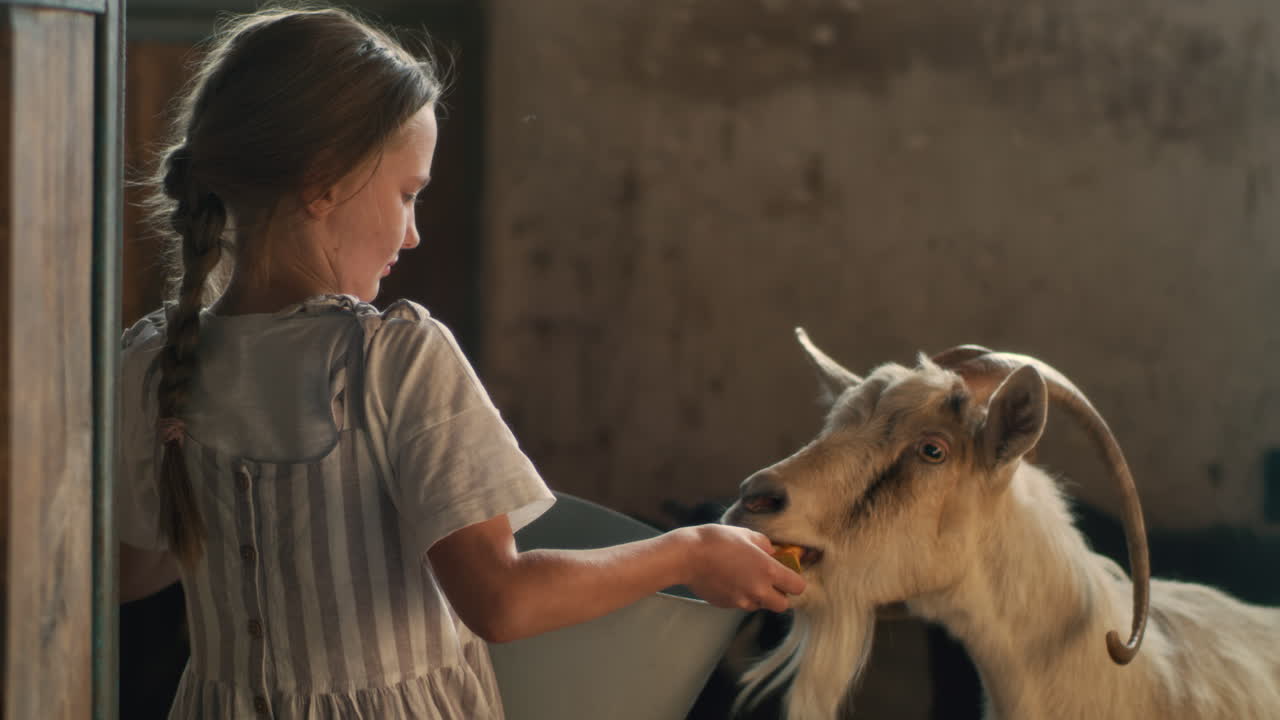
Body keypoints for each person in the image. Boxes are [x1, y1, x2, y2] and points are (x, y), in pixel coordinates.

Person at [115, 6, 805, 719]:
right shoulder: (392, 357)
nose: (412, 234)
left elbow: (130, 573)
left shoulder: (153, 363)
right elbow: (502, 601)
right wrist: (689, 552)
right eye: (407, 193)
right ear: (322, 184)